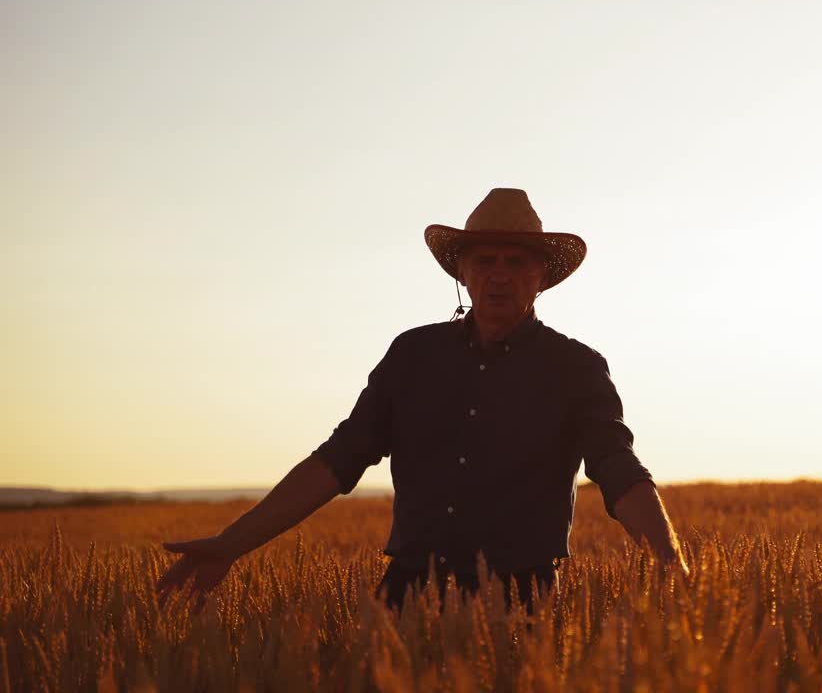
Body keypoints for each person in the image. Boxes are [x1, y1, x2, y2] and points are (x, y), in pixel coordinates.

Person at [156, 188, 688, 613]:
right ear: (463, 272)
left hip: (522, 605)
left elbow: (617, 469)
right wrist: (231, 544)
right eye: (484, 260)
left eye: (516, 261)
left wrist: (671, 564)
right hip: (406, 594)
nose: (498, 274)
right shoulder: (412, 355)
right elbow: (338, 459)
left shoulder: (576, 368)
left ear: (541, 277)